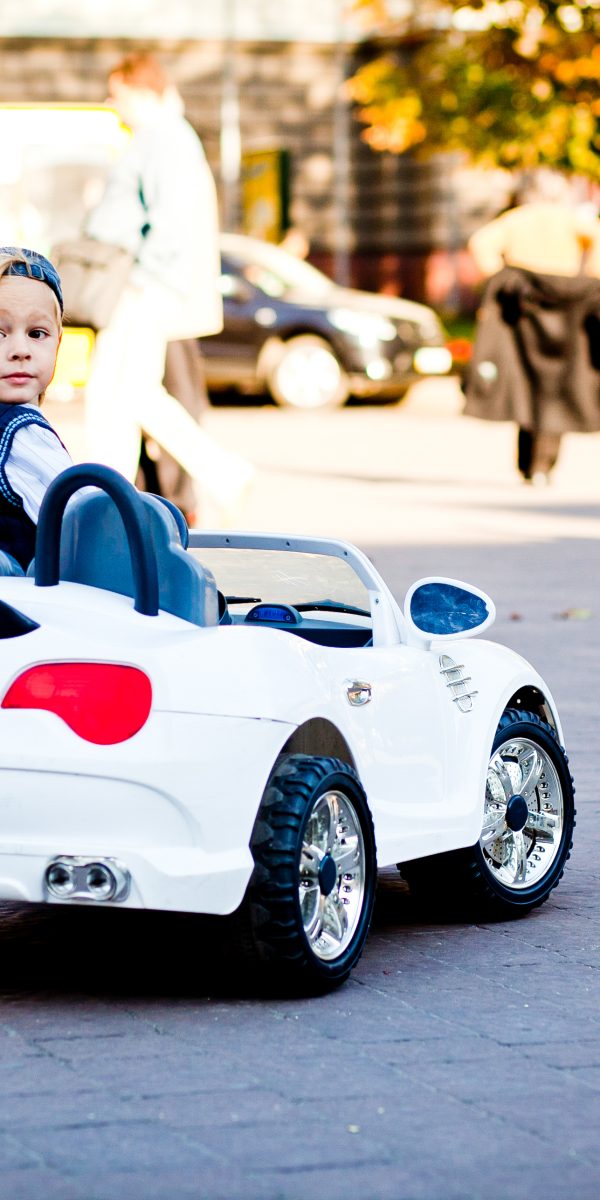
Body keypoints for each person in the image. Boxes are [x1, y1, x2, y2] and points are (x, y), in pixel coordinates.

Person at [83, 52, 253, 524]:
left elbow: (170, 222)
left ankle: (112, 498)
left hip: (142, 285)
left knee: (113, 393)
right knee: (128, 393)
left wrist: (139, 282)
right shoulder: (166, 138)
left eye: (118, 95)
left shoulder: (163, 139)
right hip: (146, 283)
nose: (114, 106)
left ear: (141, 91)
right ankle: (217, 476)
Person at [465, 173, 600, 483]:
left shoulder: (517, 219)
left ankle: (529, 464)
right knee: (558, 387)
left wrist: (500, 280)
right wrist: (589, 279)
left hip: (525, 306)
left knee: (526, 385)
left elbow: (480, 243)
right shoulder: (570, 219)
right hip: (565, 307)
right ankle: (544, 465)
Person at [0, 247, 71, 571]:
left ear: (58, 343)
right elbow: (80, 523)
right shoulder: (22, 432)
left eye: (37, 334)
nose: (19, 351)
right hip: (26, 614)